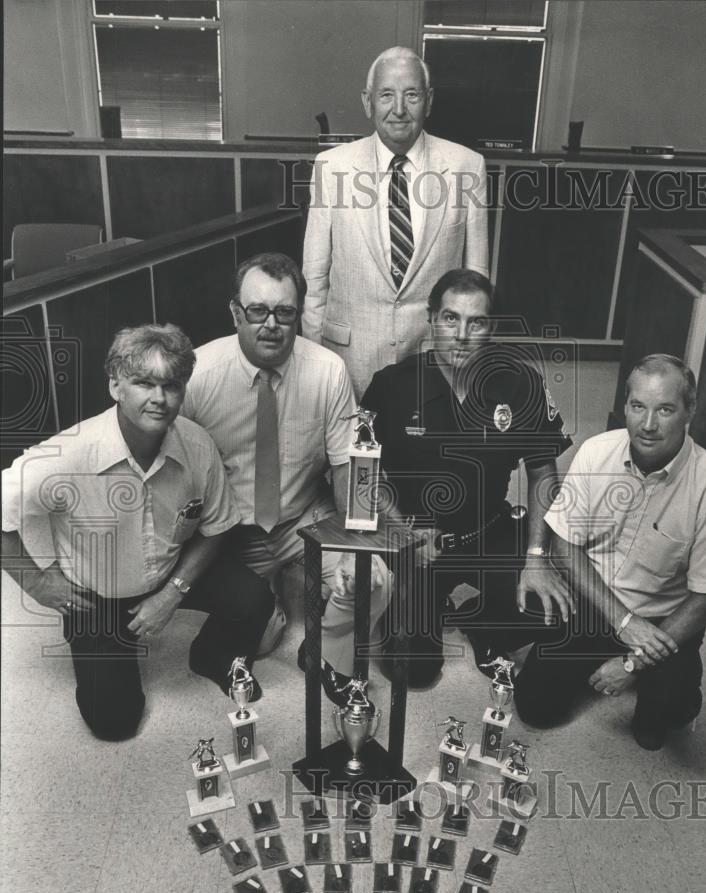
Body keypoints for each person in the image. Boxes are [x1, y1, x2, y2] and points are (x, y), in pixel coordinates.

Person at [1, 324, 275, 741]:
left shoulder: (197, 445)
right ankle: (114, 654)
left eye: (171, 385)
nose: (159, 399)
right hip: (95, 595)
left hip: (168, 570)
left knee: (255, 598)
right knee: (114, 723)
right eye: (143, 383)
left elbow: (216, 527)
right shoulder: (70, 454)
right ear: (115, 386)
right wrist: (37, 581)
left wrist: (172, 593)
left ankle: (212, 657)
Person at [360, 268, 574, 686]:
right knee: (411, 670)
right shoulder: (391, 385)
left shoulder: (521, 383)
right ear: (431, 319)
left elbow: (543, 471)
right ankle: (430, 605)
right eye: (450, 318)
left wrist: (536, 557)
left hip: (488, 531)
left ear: (490, 327)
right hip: (417, 541)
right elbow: (364, 471)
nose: (461, 333)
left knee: (556, 611)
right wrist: (402, 534)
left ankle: (482, 624)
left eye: (476, 321)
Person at [180, 251, 391, 677]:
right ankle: (269, 601)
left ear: (298, 316)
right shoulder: (198, 376)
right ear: (236, 313)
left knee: (374, 580)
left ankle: (324, 653)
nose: (271, 324)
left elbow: (349, 469)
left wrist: (354, 546)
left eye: (284, 312)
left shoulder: (327, 370)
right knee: (257, 638)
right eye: (258, 311)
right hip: (231, 532)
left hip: (302, 516)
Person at [514, 354, 706, 750]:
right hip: (595, 602)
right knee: (535, 709)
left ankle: (666, 685)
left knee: (659, 728)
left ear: (690, 410)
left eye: (665, 409)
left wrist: (633, 661)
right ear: (626, 406)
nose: (648, 425)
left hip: (662, 623)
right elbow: (565, 545)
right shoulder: (595, 452)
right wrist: (622, 622)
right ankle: (593, 659)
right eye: (638, 407)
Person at [302, 46, 489, 398]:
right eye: (386, 94)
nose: (399, 109)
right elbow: (313, 281)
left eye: (412, 95)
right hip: (348, 359)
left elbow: (476, 283)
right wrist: (317, 359)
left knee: (423, 451)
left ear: (429, 100)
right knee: (351, 451)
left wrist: (465, 355)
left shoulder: (467, 166)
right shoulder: (331, 167)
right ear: (367, 101)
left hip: (433, 359)